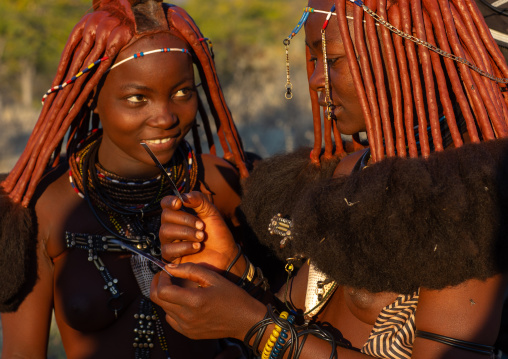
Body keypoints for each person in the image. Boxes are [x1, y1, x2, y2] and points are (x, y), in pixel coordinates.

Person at [150, 0, 508, 358]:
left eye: (332, 60)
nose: (316, 79)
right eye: (312, 60)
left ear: (405, 54)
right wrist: (230, 266)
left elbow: (273, 332)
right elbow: (296, 319)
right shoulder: (353, 171)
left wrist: (253, 327)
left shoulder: (467, 202)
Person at [0, 0, 250, 358]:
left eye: (182, 93)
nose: (165, 117)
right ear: (93, 100)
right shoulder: (45, 208)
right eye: (137, 98)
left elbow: (273, 320)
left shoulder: (219, 186)